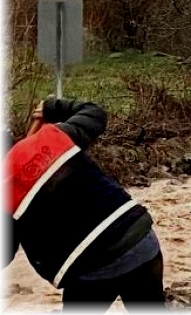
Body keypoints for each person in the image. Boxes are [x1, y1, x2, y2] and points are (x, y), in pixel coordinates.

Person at [4, 97, 165, 310]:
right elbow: (95, 113)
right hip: (140, 241)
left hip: (90, 268)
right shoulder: (50, 138)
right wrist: (52, 107)